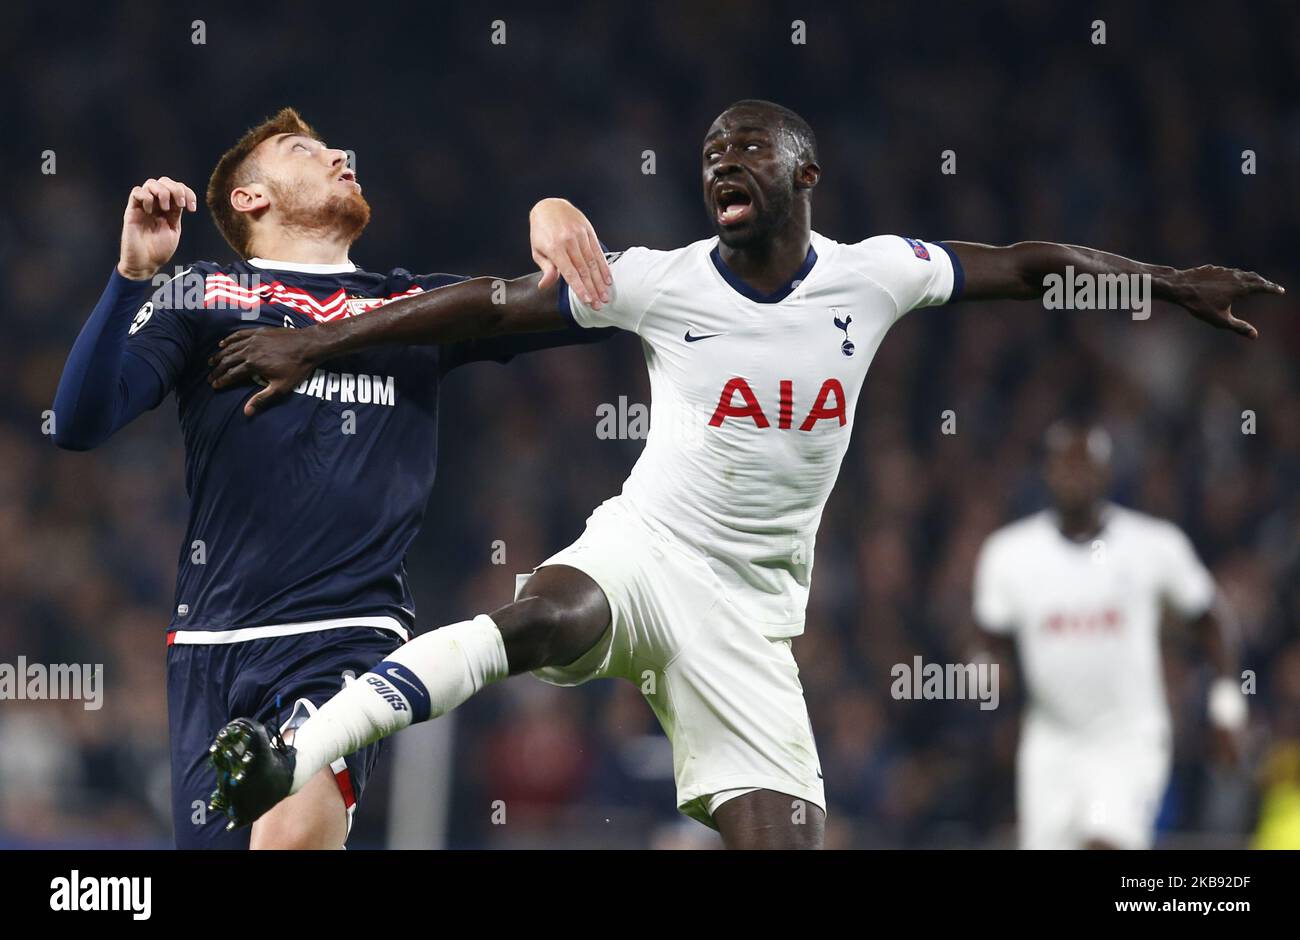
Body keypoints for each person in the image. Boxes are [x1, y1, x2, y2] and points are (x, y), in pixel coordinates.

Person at [204, 99, 1283, 848]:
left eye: (749, 148)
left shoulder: (880, 274)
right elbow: (488, 302)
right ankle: (304, 744)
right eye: (712, 151)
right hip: (646, 549)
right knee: (544, 617)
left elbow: (1030, 267)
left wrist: (1164, 281)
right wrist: (319, 343)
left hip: (753, 621)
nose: (722, 160)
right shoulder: (662, 283)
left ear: (804, 174)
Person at [51, 107, 613, 849]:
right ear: (252, 199)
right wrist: (131, 279)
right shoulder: (203, 296)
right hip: (209, 647)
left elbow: (592, 306)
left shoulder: (414, 305)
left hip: (344, 633)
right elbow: (79, 423)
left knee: (291, 831)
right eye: (302, 151)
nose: (337, 155)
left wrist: (555, 210)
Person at [973, 422, 1247, 849]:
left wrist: (1227, 707)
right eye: (1066, 465)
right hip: (1051, 740)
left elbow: (1211, 619)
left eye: (1085, 466)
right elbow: (991, 639)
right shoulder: (1009, 555)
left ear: (1106, 474)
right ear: (1047, 471)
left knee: (1106, 842)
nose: (1074, 476)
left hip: (1127, 736)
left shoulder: (1151, 546)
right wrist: (989, 682)